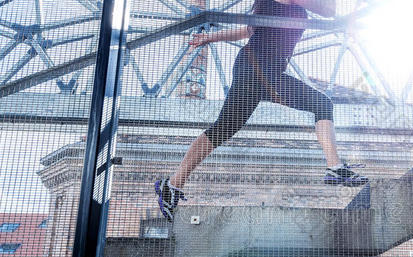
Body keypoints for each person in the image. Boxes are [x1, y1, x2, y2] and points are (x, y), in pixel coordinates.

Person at [156, 0, 368, 222]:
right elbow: (329, 10)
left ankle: (172, 185)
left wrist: (211, 37)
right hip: (257, 68)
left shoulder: (274, 8)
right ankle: (335, 167)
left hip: (265, 72)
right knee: (321, 104)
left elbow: (247, 30)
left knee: (223, 129)